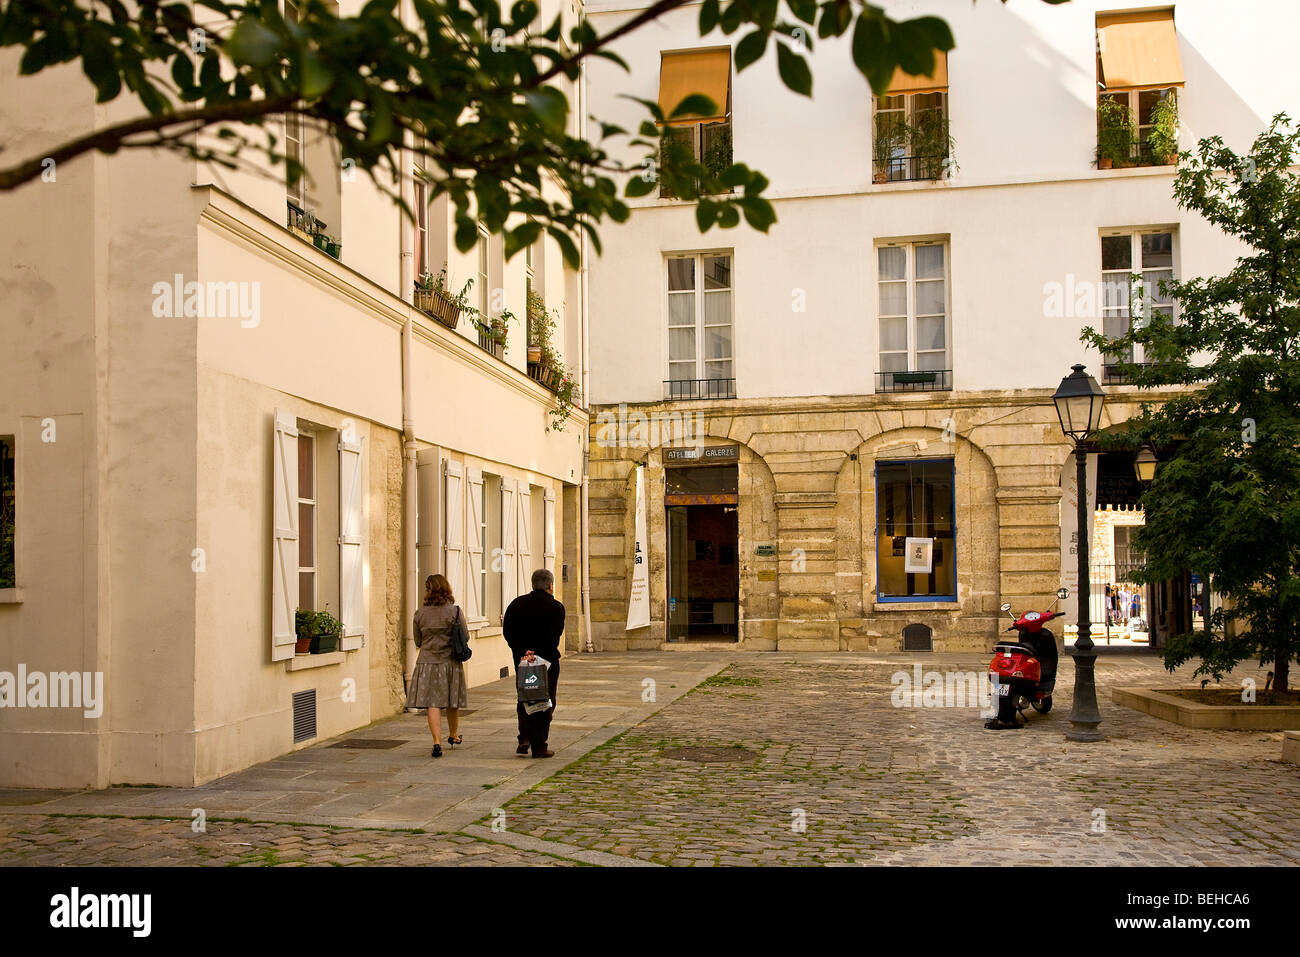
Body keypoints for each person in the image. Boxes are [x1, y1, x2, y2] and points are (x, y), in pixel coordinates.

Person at [502, 568, 566, 758]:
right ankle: (540, 745)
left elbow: (508, 632)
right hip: (546, 662)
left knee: (525, 698)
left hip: (523, 662)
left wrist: (523, 652)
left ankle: (524, 737)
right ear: (550, 586)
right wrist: (538, 652)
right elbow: (554, 637)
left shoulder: (517, 604)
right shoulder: (556, 607)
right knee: (545, 701)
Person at [405, 573, 468, 758]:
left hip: (427, 662)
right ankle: (454, 735)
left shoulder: (420, 613)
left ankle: (436, 742)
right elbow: (465, 636)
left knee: (433, 703)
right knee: (452, 701)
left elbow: (418, 640)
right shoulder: (455, 611)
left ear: (428, 590)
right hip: (450, 662)